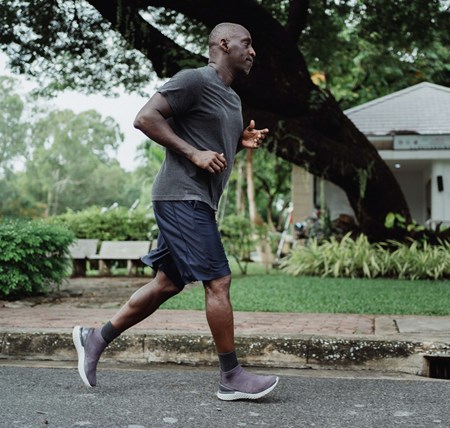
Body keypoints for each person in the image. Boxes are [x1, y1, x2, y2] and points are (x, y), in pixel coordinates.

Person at [73, 22, 279, 401]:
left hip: (197, 200)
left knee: (167, 283)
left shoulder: (231, 98)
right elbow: (145, 118)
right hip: (181, 196)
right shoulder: (193, 80)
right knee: (218, 281)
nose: (253, 52)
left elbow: (210, 138)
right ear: (223, 43)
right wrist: (193, 153)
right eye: (247, 44)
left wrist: (239, 140)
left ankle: (94, 338)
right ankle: (231, 376)